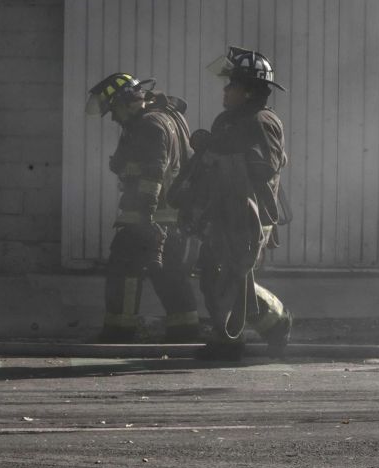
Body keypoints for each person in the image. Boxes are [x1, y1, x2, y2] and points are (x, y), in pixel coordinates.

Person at [169, 46, 293, 361]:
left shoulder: (263, 121)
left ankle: (254, 331)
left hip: (249, 215)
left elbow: (267, 166)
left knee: (228, 275)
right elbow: (210, 164)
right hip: (223, 211)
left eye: (231, 85)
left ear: (249, 90)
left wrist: (225, 151)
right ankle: (256, 329)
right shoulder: (227, 120)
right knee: (215, 275)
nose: (225, 90)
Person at [85, 73, 201, 343]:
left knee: (123, 271)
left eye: (114, 109)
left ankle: (119, 331)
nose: (113, 117)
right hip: (171, 218)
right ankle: (184, 331)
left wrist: (147, 218)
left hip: (146, 217)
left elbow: (153, 173)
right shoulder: (166, 116)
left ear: (127, 102)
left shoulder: (149, 125)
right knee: (169, 276)